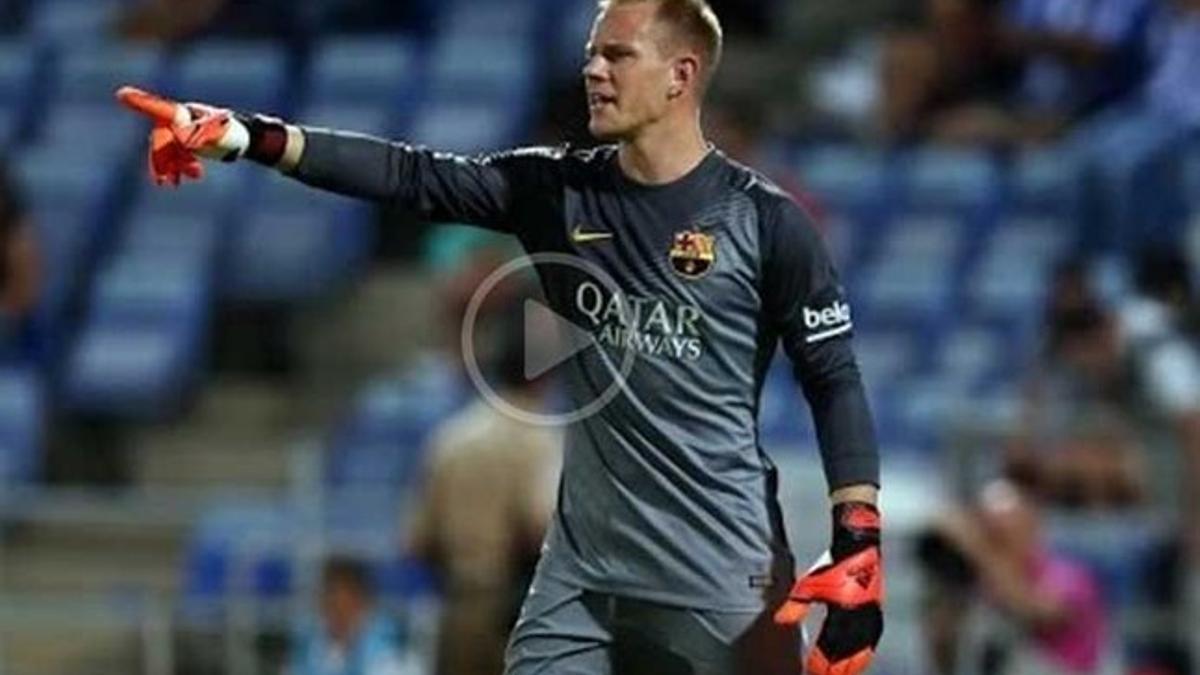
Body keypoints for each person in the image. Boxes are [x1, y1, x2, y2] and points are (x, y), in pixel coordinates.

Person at [115, 0, 884, 672]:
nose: (594, 70)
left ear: (681, 76)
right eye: (590, 53)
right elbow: (411, 175)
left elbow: (834, 377)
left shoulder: (766, 223)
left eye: (617, 54)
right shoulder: (557, 191)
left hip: (720, 572)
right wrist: (248, 136)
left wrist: (858, 536)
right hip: (582, 581)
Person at [406, 301, 564, 675]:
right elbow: (539, 530)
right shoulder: (540, 440)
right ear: (544, 375)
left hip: (456, 611)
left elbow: (416, 541)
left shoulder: (451, 436)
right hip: (513, 617)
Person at [289, 557, 406, 675]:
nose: (332, 615)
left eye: (341, 606)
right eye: (328, 603)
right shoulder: (308, 646)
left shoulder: (389, 653)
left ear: (361, 603)